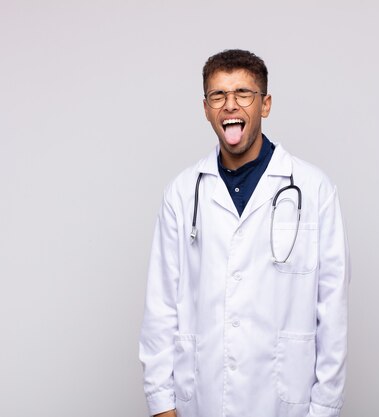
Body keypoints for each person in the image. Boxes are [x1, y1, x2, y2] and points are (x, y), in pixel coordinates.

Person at [139, 49, 350, 417]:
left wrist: (324, 408)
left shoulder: (314, 189)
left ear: (265, 105)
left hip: (286, 399)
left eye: (243, 94)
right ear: (206, 108)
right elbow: (161, 306)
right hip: (202, 396)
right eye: (218, 96)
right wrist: (162, 403)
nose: (230, 106)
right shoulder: (182, 191)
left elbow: (332, 311)